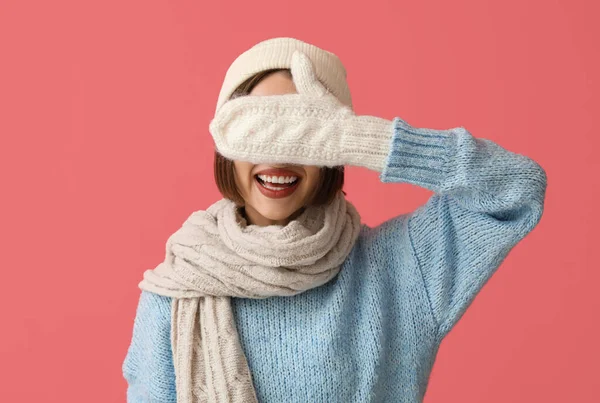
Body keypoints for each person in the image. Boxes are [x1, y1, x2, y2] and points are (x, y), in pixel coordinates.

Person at [122, 37, 547, 403]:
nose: (279, 155)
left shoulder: (401, 267)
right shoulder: (180, 286)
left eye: (304, 132)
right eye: (258, 130)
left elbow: (518, 187)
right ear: (226, 147)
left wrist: (362, 139)